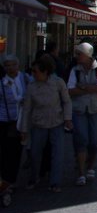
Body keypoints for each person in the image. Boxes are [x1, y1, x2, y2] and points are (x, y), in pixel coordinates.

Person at [18, 55, 72, 192]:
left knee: (58, 153)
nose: (33, 74)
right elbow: (27, 109)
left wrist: (68, 118)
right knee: (35, 153)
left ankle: (55, 182)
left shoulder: (58, 83)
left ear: (45, 71)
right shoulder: (31, 87)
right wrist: (24, 129)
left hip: (57, 122)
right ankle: (34, 177)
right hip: (38, 124)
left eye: (36, 71)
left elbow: (66, 101)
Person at [66, 43, 97, 187]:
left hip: (96, 109)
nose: (76, 57)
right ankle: (81, 172)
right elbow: (70, 90)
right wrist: (90, 88)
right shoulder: (75, 70)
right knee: (81, 139)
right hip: (79, 109)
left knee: (94, 141)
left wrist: (81, 87)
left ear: (87, 55)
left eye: (79, 54)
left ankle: (90, 166)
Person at [1, 55, 26, 206]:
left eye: (12, 65)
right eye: (7, 66)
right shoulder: (2, 82)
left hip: (21, 120)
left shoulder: (25, 79)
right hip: (5, 120)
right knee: (6, 151)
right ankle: (6, 180)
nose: (10, 68)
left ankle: (11, 180)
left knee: (16, 151)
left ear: (17, 66)